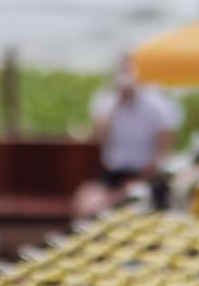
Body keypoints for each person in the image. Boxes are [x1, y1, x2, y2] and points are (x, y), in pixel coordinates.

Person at [73, 57, 180, 217]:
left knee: (139, 204)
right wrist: (116, 105)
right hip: (113, 173)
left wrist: (138, 182)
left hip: (147, 175)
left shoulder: (159, 104)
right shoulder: (106, 99)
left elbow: (164, 150)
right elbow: (101, 136)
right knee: (87, 204)